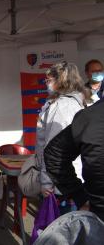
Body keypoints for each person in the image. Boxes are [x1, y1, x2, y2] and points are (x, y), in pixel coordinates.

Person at [35, 62, 88, 200]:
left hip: (60, 181)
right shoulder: (78, 101)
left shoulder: (62, 107)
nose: (46, 83)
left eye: (49, 80)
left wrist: (46, 181)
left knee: (61, 219)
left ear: (61, 80)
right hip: (71, 177)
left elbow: (53, 150)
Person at [44, 98, 104, 222]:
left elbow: (54, 154)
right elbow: (54, 154)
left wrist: (78, 195)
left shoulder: (89, 115)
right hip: (97, 212)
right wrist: (79, 195)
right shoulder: (89, 115)